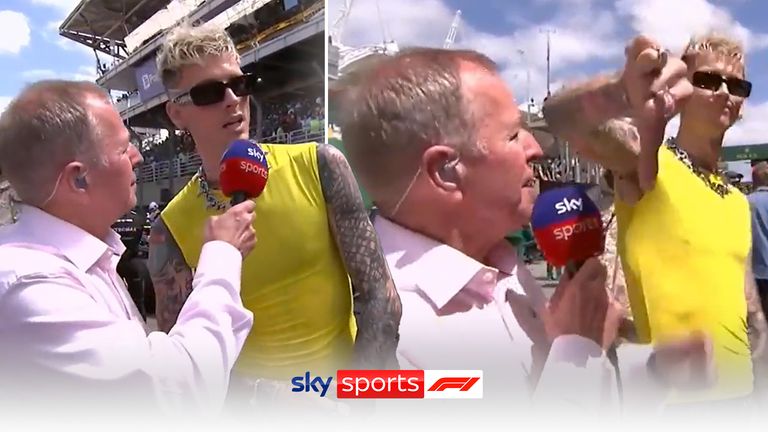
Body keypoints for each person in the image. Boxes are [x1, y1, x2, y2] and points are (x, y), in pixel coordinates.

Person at [336, 47, 714, 421]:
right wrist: (577, 346)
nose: (537, 149)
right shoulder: (376, 338)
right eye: (514, 135)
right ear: (446, 171)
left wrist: (652, 371)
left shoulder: (499, 264)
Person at [149, 21, 400, 407]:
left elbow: (380, 298)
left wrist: (354, 401)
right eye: (210, 93)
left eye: (240, 84)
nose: (233, 100)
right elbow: (190, 359)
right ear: (177, 114)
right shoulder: (170, 226)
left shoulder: (320, 164)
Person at [0, 80, 256, 423]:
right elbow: (180, 389)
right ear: (79, 180)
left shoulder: (83, 257)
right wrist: (223, 254)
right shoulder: (28, 284)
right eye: (123, 149)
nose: (138, 157)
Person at [542, 33, 767, 405]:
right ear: (681, 90)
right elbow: (560, 117)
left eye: (737, 85)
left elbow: (749, 307)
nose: (725, 92)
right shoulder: (647, 163)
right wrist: (619, 92)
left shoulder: (736, 202)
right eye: (708, 81)